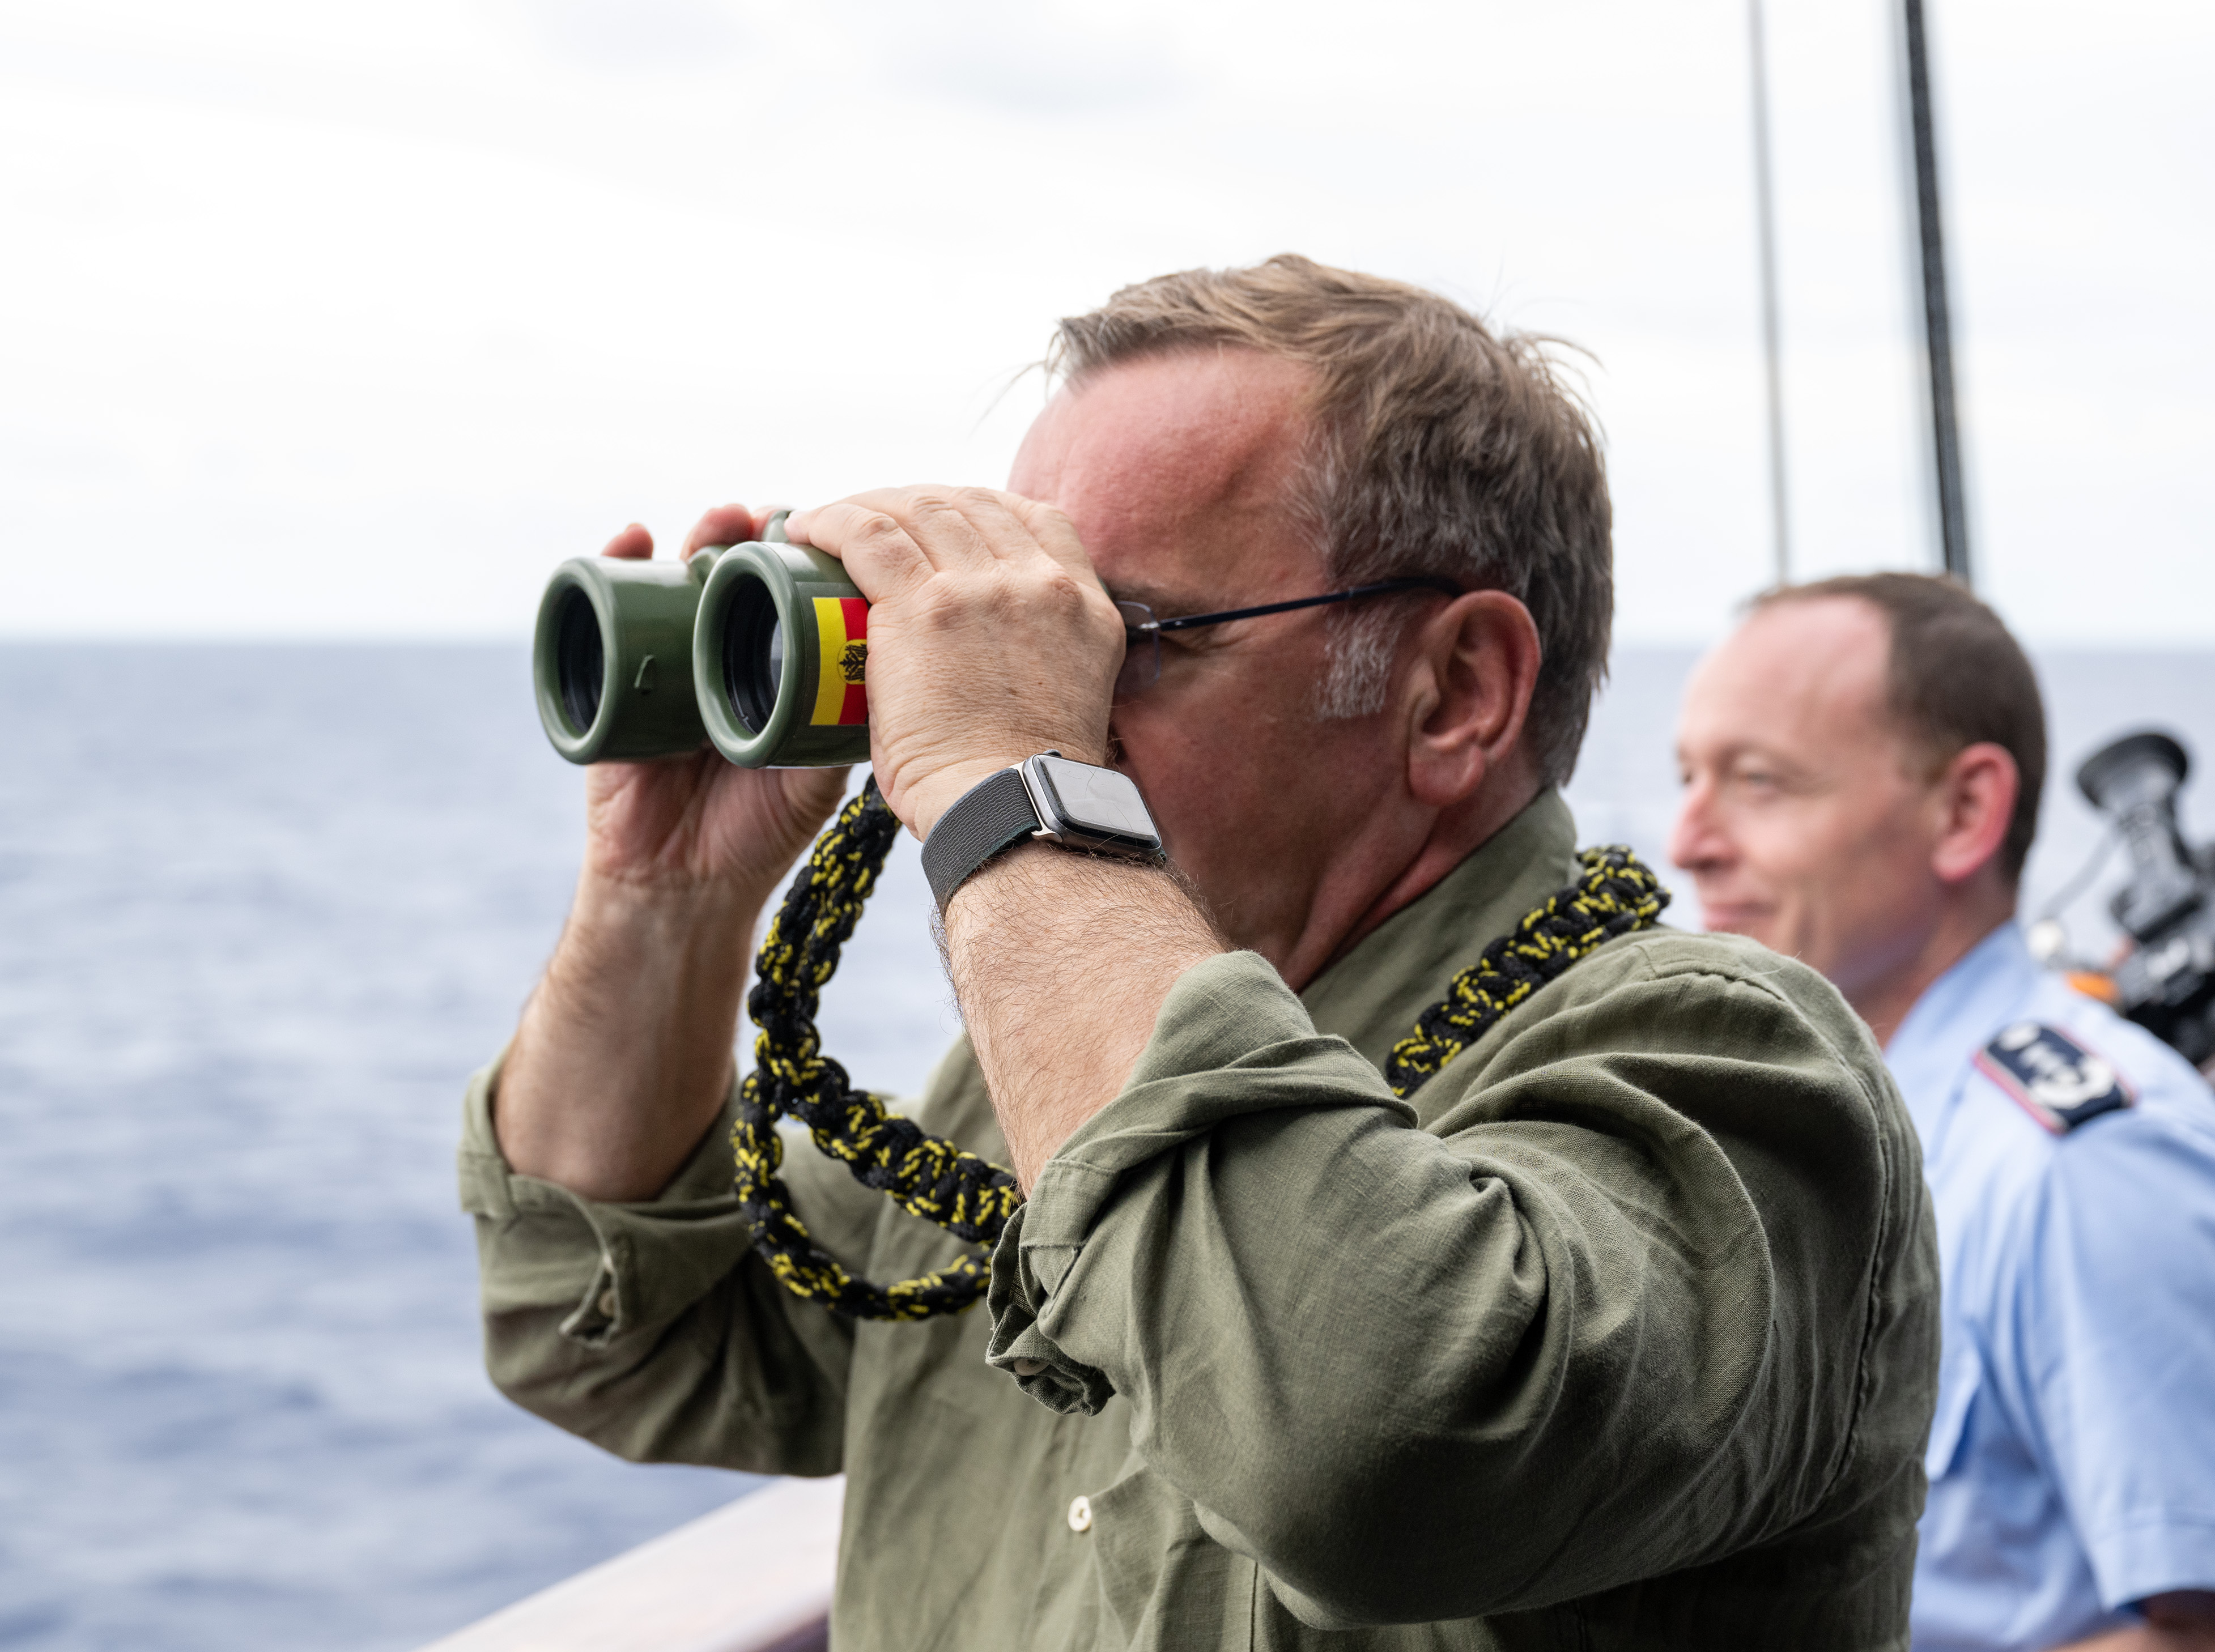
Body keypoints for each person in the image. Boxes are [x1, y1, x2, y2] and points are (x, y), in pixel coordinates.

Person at [463, 257, 1938, 1650]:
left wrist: (1008, 777)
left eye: (1113, 630)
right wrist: (664, 894)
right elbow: (615, 1337)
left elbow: (1363, 1444)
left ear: (1453, 692)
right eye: (1014, 632)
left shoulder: (1731, 1072)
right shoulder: (1021, 1087)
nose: (1037, 691)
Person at [1670, 573, 2215, 1652]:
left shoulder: (2086, 1167)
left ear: (1965, 813)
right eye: (1686, 779)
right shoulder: (1846, 1136)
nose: (1689, 841)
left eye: (1759, 782)